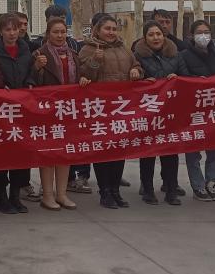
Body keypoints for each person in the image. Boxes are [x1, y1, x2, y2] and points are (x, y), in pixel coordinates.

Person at [79, 15, 143, 209]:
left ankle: (115, 190)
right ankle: (105, 191)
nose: (111, 32)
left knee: (119, 149)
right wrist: (95, 61)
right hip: (100, 109)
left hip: (121, 108)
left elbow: (137, 65)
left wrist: (136, 71)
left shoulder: (124, 48)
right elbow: (83, 76)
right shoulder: (88, 49)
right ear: (97, 30)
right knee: (102, 151)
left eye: (114, 29)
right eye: (107, 29)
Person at [0, 13, 39, 214]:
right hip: (0, 109)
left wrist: (30, 83)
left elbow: (31, 72)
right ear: (1, 31)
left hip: (21, 108)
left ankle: (15, 196)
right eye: (7, 29)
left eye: (15, 29)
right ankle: (1, 196)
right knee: (1, 154)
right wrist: (0, 86)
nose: (12, 33)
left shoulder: (25, 49)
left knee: (21, 153)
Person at [34, 17, 86, 211]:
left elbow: (81, 76)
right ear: (48, 34)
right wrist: (37, 67)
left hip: (68, 110)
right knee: (48, 153)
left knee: (65, 152)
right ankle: (47, 195)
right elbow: (30, 81)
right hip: (47, 111)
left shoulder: (73, 54)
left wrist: (85, 79)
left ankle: (61, 194)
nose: (59, 35)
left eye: (63, 32)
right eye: (55, 32)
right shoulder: (39, 54)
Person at [134, 21, 188, 206]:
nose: (155, 37)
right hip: (148, 112)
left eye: (158, 34)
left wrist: (178, 78)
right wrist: (142, 80)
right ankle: (148, 190)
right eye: (151, 34)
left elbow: (187, 77)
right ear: (145, 38)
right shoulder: (137, 56)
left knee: (170, 153)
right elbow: (131, 80)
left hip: (170, 112)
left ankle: (171, 190)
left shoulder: (175, 54)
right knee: (147, 153)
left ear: (163, 36)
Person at [180, 20, 215, 201]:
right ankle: (198, 186)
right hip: (193, 111)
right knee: (193, 152)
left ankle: (212, 183)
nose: (204, 35)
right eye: (199, 32)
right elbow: (182, 77)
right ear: (191, 36)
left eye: (207, 32)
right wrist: (196, 80)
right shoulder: (183, 55)